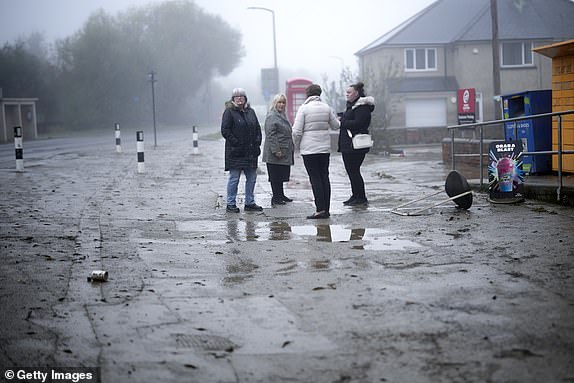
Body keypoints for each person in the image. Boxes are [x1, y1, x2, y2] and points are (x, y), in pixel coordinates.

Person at [292, 84, 340, 219]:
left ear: (307, 95)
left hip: (309, 150)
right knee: (325, 177)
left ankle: (320, 210)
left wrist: (296, 145)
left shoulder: (304, 109)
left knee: (315, 178)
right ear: (319, 94)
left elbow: (296, 131)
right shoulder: (326, 108)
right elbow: (336, 125)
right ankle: (327, 209)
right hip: (324, 148)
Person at [221, 88, 263, 213]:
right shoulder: (229, 112)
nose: (239, 98)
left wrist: (257, 142)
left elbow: (257, 128)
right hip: (235, 152)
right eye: (236, 97)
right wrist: (236, 143)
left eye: (242, 96)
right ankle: (231, 203)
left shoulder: (251, 112)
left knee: (252, 178)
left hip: (250, 152)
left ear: (245, 98)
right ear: (233, 99)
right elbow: (225, 130)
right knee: (234, 178)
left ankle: (249, 202)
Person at [338, 81, 375, 206]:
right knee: (352, 171)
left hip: (355, 146)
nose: (346, 94)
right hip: (349, 145)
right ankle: (355, 195)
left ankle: (361, 198)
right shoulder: (352, 106)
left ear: (357, 93)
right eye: (346, 92)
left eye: (349, 92)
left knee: (354, 171)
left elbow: (358, 123)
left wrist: (342, 122)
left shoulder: (362, 107)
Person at [262, 94, 295, 206]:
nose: (281, 105)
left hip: (284, 149)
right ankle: (276, 197)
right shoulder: (272, 116)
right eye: (279, 102)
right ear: (275, 103)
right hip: (275, 151)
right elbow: (270, 134)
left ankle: (281, 194)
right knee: (275, 175)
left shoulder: (282, 115)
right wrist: (276, 150)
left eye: (283, 102)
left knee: (281, 174)